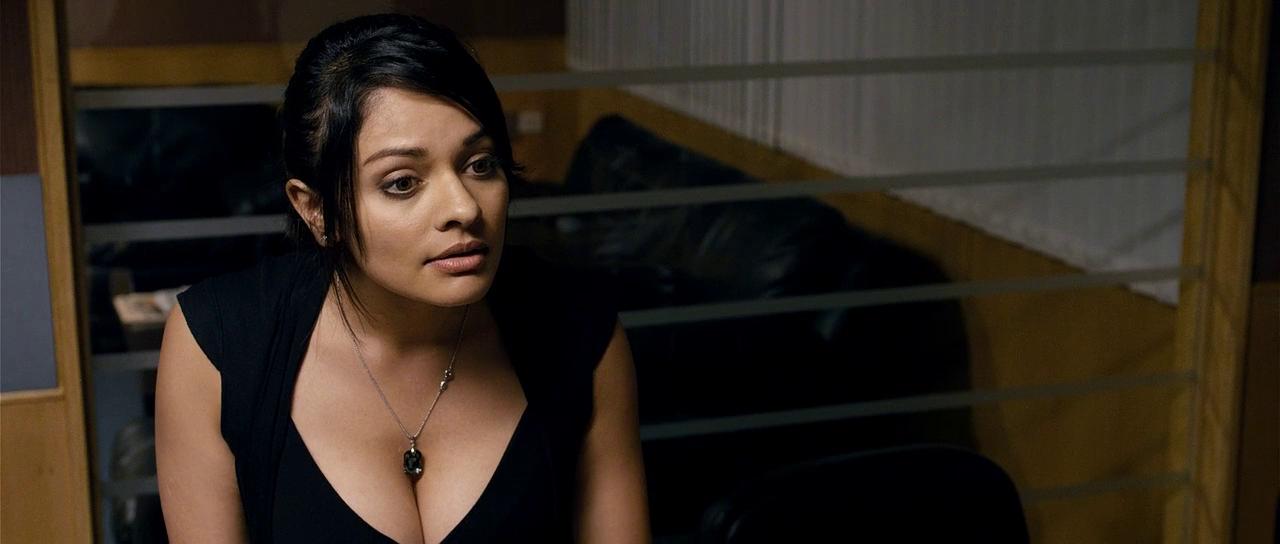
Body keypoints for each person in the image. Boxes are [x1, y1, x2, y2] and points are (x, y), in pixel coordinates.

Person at [154, 13, 650, 543]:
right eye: (402, 183)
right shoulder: (218, 345)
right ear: (316, 209)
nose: (463, 208)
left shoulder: (581, 333)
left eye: (480, 164)